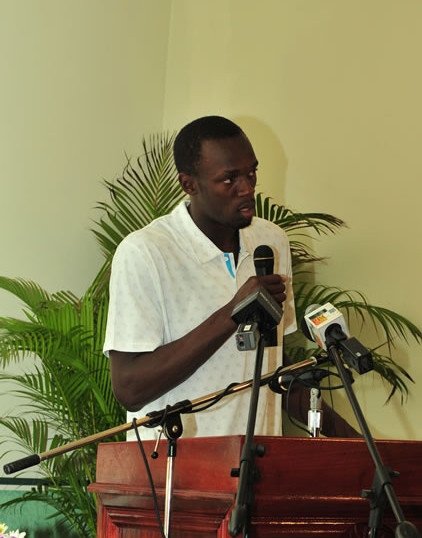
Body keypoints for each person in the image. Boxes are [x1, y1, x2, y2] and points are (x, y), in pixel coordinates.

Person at [104, 115, 357, 439]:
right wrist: (233, 312)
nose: (247, 188)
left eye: (252, 173)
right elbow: (130, 387)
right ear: (189, 184)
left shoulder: (272, 242)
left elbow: (272, 369)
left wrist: (360, 445)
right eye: (230, 179)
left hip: (259, 468)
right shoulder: (146, 252)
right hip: (175, 475)